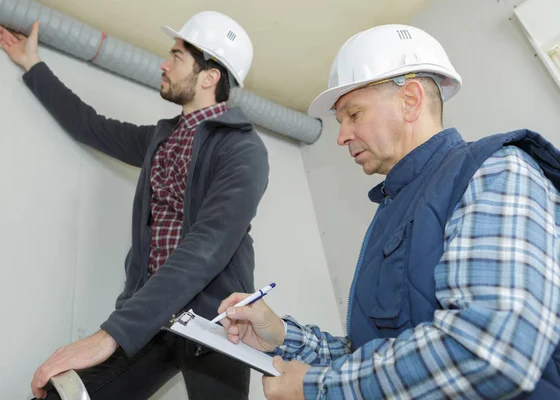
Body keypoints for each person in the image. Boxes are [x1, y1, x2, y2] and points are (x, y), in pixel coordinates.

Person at [218, 24, 560, 399]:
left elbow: (493, 350)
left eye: (353, 114)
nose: (341, 136)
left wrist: (316, 388)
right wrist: (282, 335)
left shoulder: (495, 171)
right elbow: (373, 356)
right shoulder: (394, 208)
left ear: (411, 100)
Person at [0, 11, 269, 400]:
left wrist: (112, 335)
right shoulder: (161, 139)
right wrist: (33, 65)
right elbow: (89, 125)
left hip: (216, 325)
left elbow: (208, 245)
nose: (164, 63)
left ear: (210, 77)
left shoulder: (243, 149)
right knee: (64, 395)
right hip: (151, 319)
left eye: (176, 56)